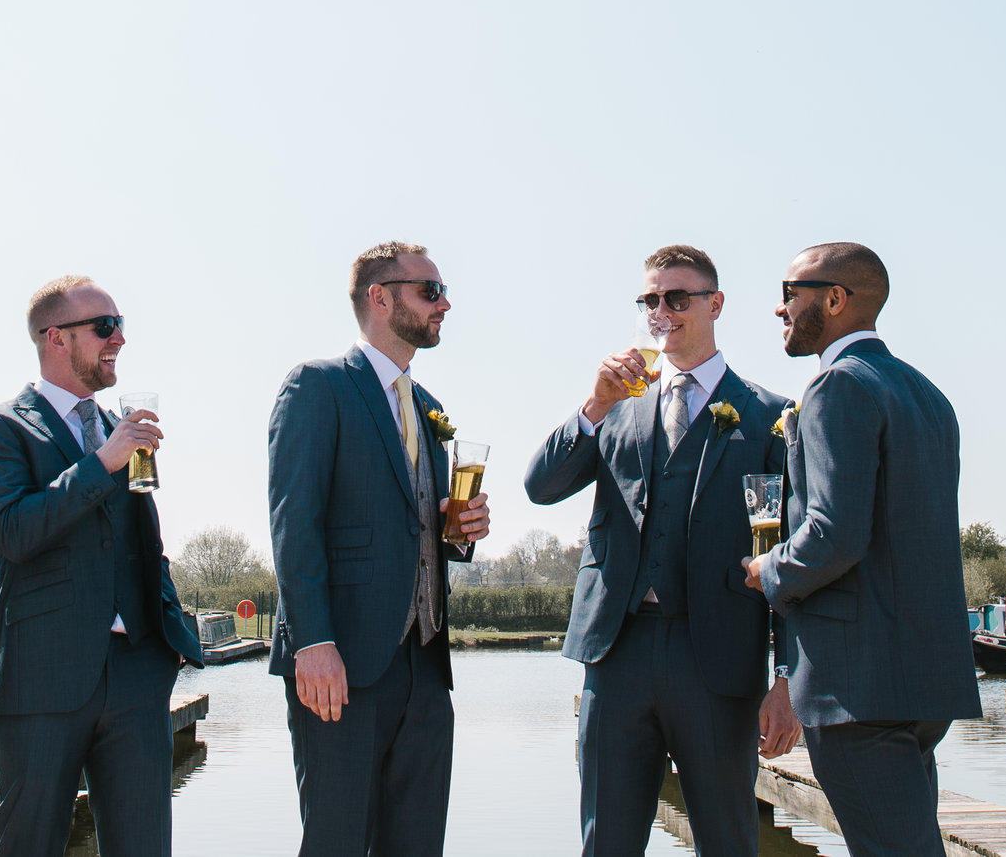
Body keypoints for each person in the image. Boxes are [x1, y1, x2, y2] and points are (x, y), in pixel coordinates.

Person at [525, 245, 792, 857]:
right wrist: (595, 405)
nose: (661, 311)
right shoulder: (616, 405)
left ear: (715, 304)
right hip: (616, 652)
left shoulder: (770, 416)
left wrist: (787, 678)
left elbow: (788, 559)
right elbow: (541, 487)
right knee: (607, 842)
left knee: (728, 840)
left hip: (719, 657)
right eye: (650, 300)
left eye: (677, 298)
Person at [743, 241, 978, 857]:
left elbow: (835, 532)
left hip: (857, 688)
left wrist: (769, 568)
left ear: (835, 299)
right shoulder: (927, 394)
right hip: (923, 678)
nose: (779, 308)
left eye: (789, 292)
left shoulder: (835, 388)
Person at [0, 276, 206, 857]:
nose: (118, 337)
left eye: (120, 325)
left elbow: (142, 542)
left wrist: (163, 645)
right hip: (42, 677)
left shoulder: (119, 428)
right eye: (104, 327)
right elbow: (15, 533)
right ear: (56, 338)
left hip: (137, 676)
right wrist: (102, 462)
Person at [266, 241, 492, 857]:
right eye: (431, 291)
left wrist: (455, 528)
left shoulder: (430, 408)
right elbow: (294, 522)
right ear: (380, 297)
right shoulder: (317, 386)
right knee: (336, 843)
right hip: (339, 665)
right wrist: (313, 642)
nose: (445, 303)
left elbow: (411, 527)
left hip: (424, 666)